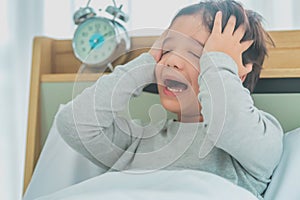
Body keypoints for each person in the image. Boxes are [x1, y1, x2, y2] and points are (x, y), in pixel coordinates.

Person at [56, 0, 283, 199]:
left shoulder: (260, 137)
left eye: (198, 54)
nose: (172, 61)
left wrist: (219, 62)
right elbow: (72, 124)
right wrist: (147, 64)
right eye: (167, 50)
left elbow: (226, 124)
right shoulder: (139, 142)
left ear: (237, 74)